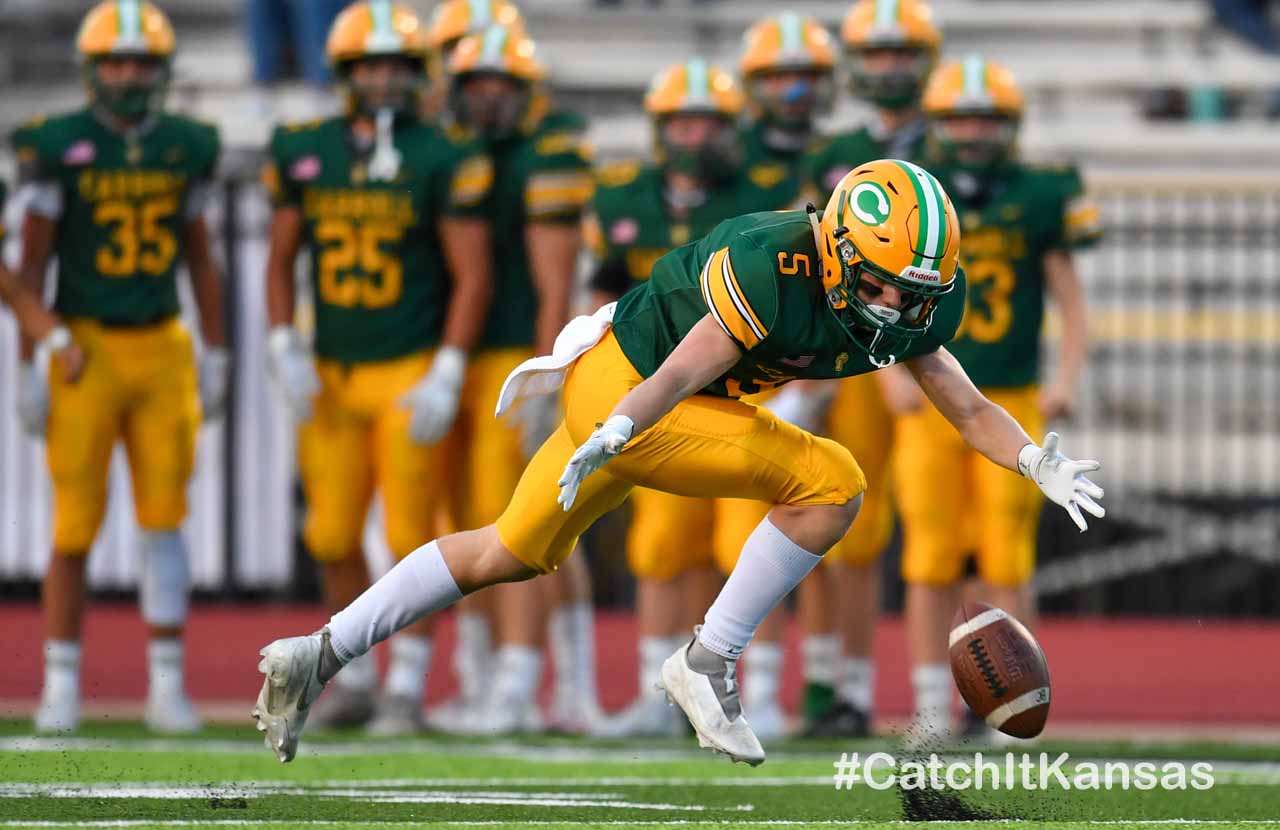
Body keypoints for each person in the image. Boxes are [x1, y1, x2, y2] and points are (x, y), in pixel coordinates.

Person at [253, 157, 1105, 767]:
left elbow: (963, 403)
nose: (897, 305)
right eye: (881, 285)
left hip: (654, 404)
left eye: (912, 291)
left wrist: (1034, 461)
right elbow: (681, 370)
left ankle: (317, 655)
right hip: (635, 391)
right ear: (839, 247)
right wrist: (615, 429)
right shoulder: (775, 262)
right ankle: (705, 663)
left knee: (507, 552)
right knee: (834, 481)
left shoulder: (910, 296)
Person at [261, 0, 493, 734]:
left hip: (407, 365)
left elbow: (473, 273)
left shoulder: (443, 153)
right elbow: (279, 256)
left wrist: (450, 364)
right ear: (347, 73)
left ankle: (408, 687)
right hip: (332, 370)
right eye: (372, 66)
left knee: (407, 535)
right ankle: (352, 680)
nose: (386, 80)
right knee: (330, 535)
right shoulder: (305, 148)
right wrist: (279, 341)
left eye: (398, 66)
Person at [12, 0, 228, 734]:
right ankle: (61, 681)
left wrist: (218, 348)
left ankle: (167, 684)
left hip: (161, 346)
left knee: (165, 521)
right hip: (85, 352)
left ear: (162, 70)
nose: (130, 75)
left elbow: (201, 257)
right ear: (93, 69)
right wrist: (30, 354)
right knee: (73, 527)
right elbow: (28, 267)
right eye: (117, 61)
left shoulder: (186, 144)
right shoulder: (57, 143)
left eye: (141, 62)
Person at [585, 58, 805, 739]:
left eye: (707, 121)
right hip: (666, 396)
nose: (694, 134)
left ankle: (754, 692)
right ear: (659, 127)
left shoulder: (767, 194)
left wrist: (797, 391)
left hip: (747, 392)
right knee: (659, 547)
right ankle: (661, 695)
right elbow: (605, 294)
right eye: (682, 120)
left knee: (748, 548)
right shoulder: (624, 196)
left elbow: (799, 298)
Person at [897, 56, 1101, 743]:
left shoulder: (1040, 194)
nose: (974, 132)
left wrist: (1066, 378)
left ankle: (1002, 701)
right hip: (930, 398)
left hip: (1008, 398)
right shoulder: (915, 196)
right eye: (961, 118)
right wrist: (889, 374)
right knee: (928, 555)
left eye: (986, 118)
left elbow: (1071, 301)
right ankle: (929, 703)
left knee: (1006, 556)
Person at [434, 23, 601, 735]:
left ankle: (527, 684)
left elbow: (555, 282)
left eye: (501, 81)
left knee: (526, 526)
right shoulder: (451, 145)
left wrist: (549, 371)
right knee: (483, 524)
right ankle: (498, 679)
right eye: (475, 79)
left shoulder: (551, 146)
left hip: (522, 355)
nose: (488, 95)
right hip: (469, 357)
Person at [790, 0, 943, 738]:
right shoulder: (835, 151)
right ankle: (832, 686)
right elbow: (810, 250)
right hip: (853, 358)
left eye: (900, 52)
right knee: (836, 521)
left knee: (932, 536)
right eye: (876, 54)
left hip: (926, 358)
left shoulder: (957, 144)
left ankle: (935, 699)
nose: (888, 68)